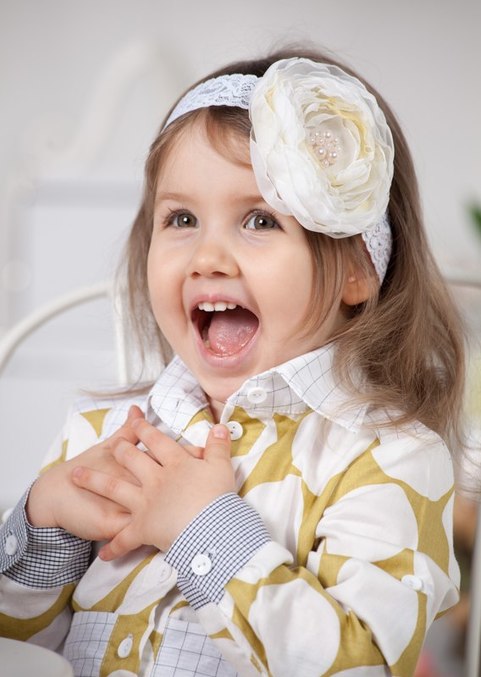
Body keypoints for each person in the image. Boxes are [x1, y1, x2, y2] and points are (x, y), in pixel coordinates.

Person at [0, 47, 466, 677]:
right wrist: (44, 520)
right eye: (181, 218)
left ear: (356, 268)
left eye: (259, 220)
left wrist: (203, 530)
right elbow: (21, 632)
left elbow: (364, 665)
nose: (207, 257)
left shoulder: (388, 457)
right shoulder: (103, 431)